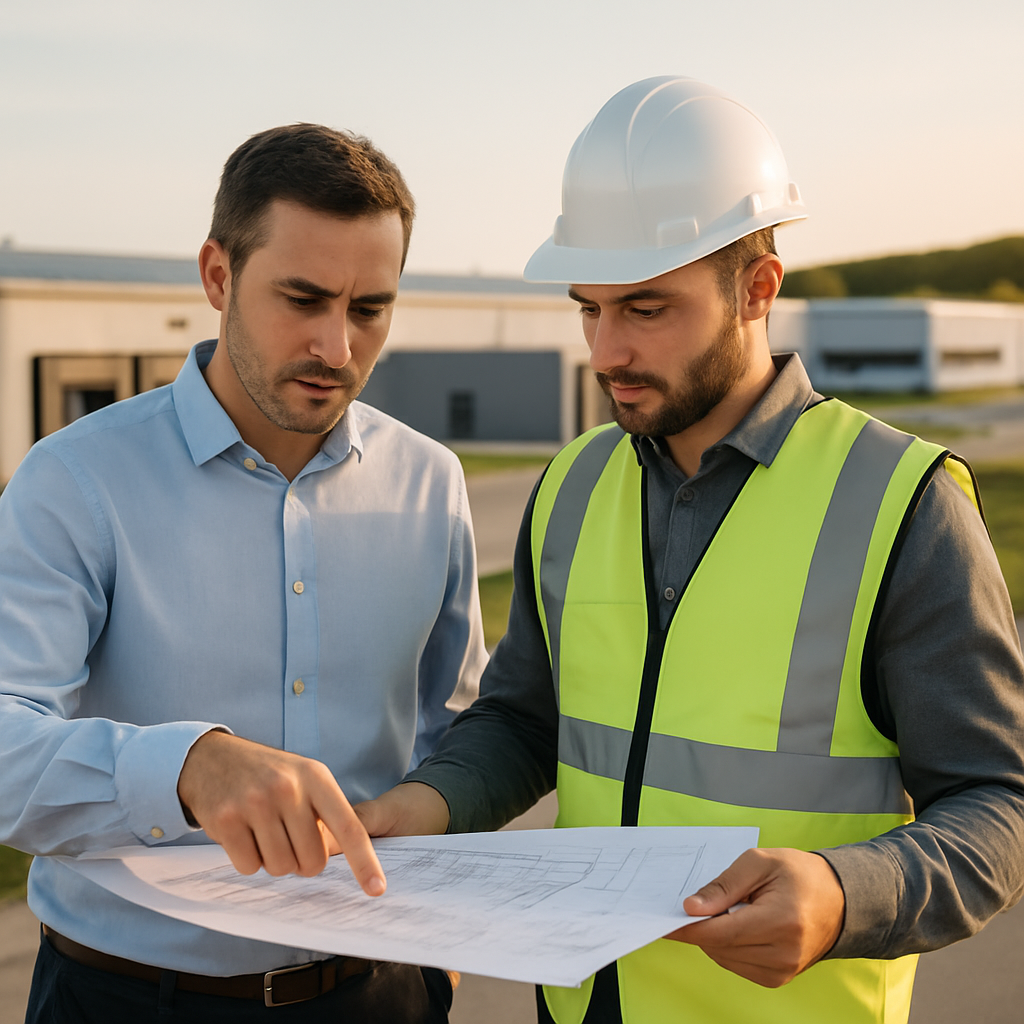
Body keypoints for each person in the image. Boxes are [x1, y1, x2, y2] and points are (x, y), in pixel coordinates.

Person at [358, 77, 1024, 1024]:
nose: (606, 351)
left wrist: (843, 896)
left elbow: (999, 805)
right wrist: (425, 805)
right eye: (588, 308)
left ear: (758, 287)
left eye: (646, 308)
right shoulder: (575, 486)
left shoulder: (901, 504)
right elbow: (523, 722)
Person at [0, 123, 487, 1022]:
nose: (337, 347)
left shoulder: (432, 482)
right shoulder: (73, 481)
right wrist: (187, 767)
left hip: (377, 992)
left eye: (370, 308)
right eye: (302, 298)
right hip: (125, 999)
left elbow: (456, 735)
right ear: (218, 276)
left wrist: (437, 950)